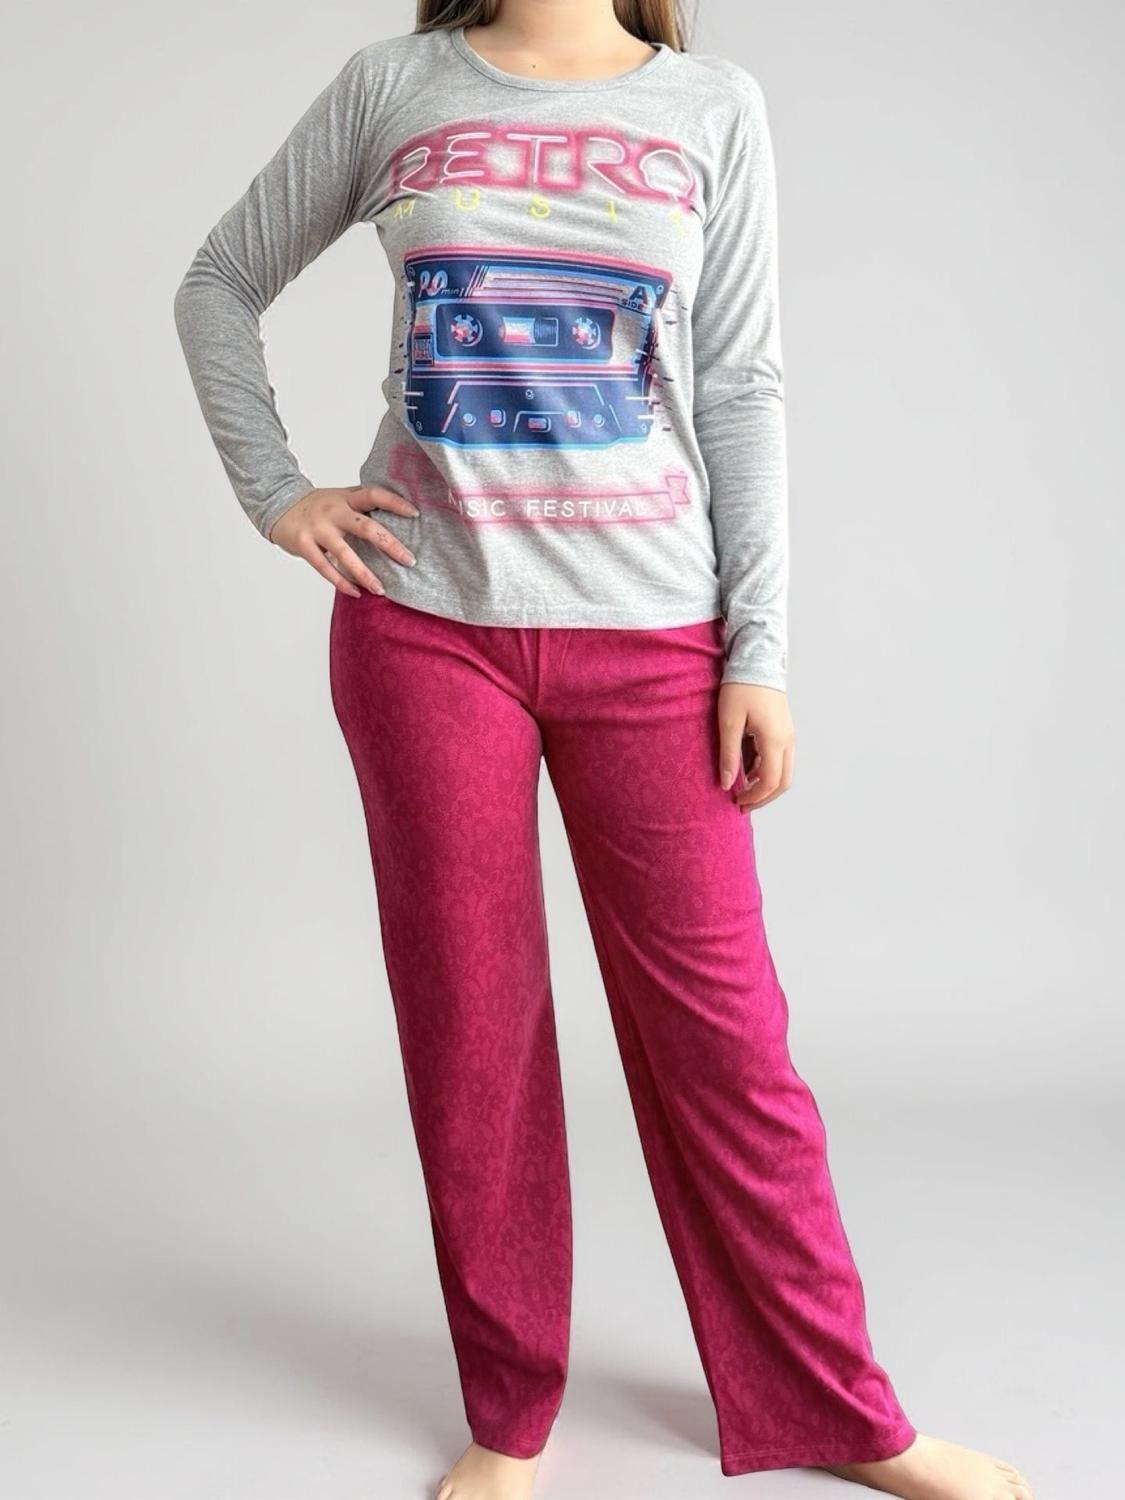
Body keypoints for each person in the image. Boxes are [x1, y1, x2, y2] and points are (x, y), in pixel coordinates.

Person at [172, 3, 1034, 1498]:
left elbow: (740, 385)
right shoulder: (392, 86)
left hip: (652, 636)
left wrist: (758, 649)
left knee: (726, 1042)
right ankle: (509, 1412)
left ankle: (835, 1406)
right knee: (472, 1034)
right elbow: (217, 285)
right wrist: (277, 492)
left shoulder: (710, 107)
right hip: (427, 632)